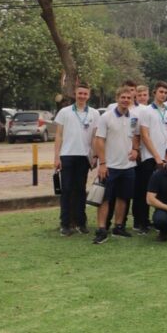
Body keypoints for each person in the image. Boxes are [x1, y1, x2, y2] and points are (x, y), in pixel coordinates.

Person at [92, 86, 141, 244]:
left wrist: (135, 149)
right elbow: (99, 140)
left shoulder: (133, 117)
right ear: (117, 98)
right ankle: (101, 229)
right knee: (104, 199)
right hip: (110, 166)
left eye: (129, 98)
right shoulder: (106, 117)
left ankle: (118, 226)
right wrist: (103, 163)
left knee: (123, 198)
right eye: (123, 97)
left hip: (128, 166)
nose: (126, 100)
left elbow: (134, 136)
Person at [53, 82, 97, 236]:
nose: (82, 96)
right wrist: (56, 157)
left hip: (84, 157)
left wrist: (95, 155)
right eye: (80, 93)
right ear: (75, 94)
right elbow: (58, 135)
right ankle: (65, 224)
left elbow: (94, 137)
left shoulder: (94, 113)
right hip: (67, 155)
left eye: (85, 94)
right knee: (66, 190)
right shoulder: (64, 112)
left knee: (80, 190)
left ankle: (81, 222)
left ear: (89, 95)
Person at [134, 81, 167, 234]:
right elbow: (144, 135)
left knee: (165, 191)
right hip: (150, 157)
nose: (163, 95)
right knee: (145, 191)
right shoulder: (146, 111)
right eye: (160, 92)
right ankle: (142, 223)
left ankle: (164, 221)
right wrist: (157, 156)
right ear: (154, 93)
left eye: (165, 92)